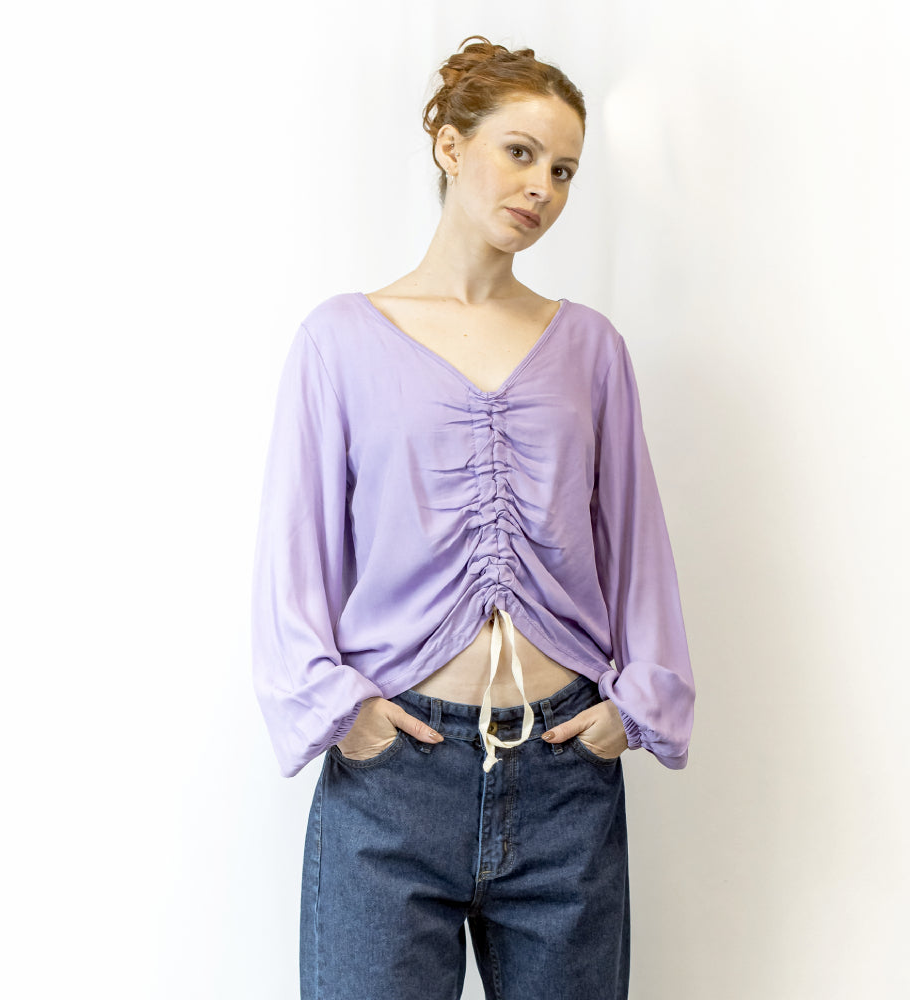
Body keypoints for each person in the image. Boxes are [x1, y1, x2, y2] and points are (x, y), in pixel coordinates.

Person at [251, 35, 695, 1000]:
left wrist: (634, 707)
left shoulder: (590, 348)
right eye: (520, 152)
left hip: (566, 774)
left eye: (564, 170)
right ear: (450, 146)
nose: (542, 187)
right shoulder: (340, 339)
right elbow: (294, 554)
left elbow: (636, 544)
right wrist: (340, 713)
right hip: (394, 779)